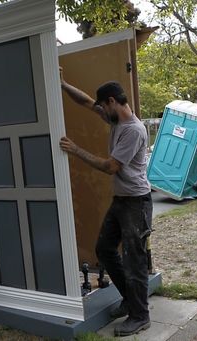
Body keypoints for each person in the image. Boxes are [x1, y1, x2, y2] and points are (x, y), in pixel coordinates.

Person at [59, 76, 153, 337]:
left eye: (104, 105)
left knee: (134, 261)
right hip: (121, 201)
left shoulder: (133, 130)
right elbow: (87, 102)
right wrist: (64, 84)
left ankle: (140, 315)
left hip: (136, 203)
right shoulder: (114, 118)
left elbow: (111, 167)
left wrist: (76, 150)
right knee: (104, 249)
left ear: (112, 102)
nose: (100, 109)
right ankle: (130, 300)